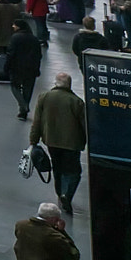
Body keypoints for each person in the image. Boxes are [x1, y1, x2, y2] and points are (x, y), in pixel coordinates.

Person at [30, 71, 87, 215]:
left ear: (56, 83)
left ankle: (60, 193)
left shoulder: (45, 97)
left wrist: (33, 140)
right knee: (73, 171)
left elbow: (37, 121)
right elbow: (84, 125)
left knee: (58, 168)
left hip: (51, 141)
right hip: (72, 143)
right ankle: (66, 194)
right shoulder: (76, 101)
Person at [15, 197, 79, 260]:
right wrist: (62, 231)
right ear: (54, 219)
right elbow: (73, 254)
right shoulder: (53, 235)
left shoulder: (21, 225)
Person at [6, 19, 44, 120]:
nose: (13, 27)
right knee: (28, 89)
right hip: (31, 68)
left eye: (14, 25)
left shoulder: (15, 38)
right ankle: (23, 112)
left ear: (18, 27)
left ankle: (23, 106)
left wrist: (6, 66)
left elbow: (10, 54)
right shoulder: (34, 39)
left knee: (15, 87)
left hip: (17, 67)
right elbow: (39, 55)